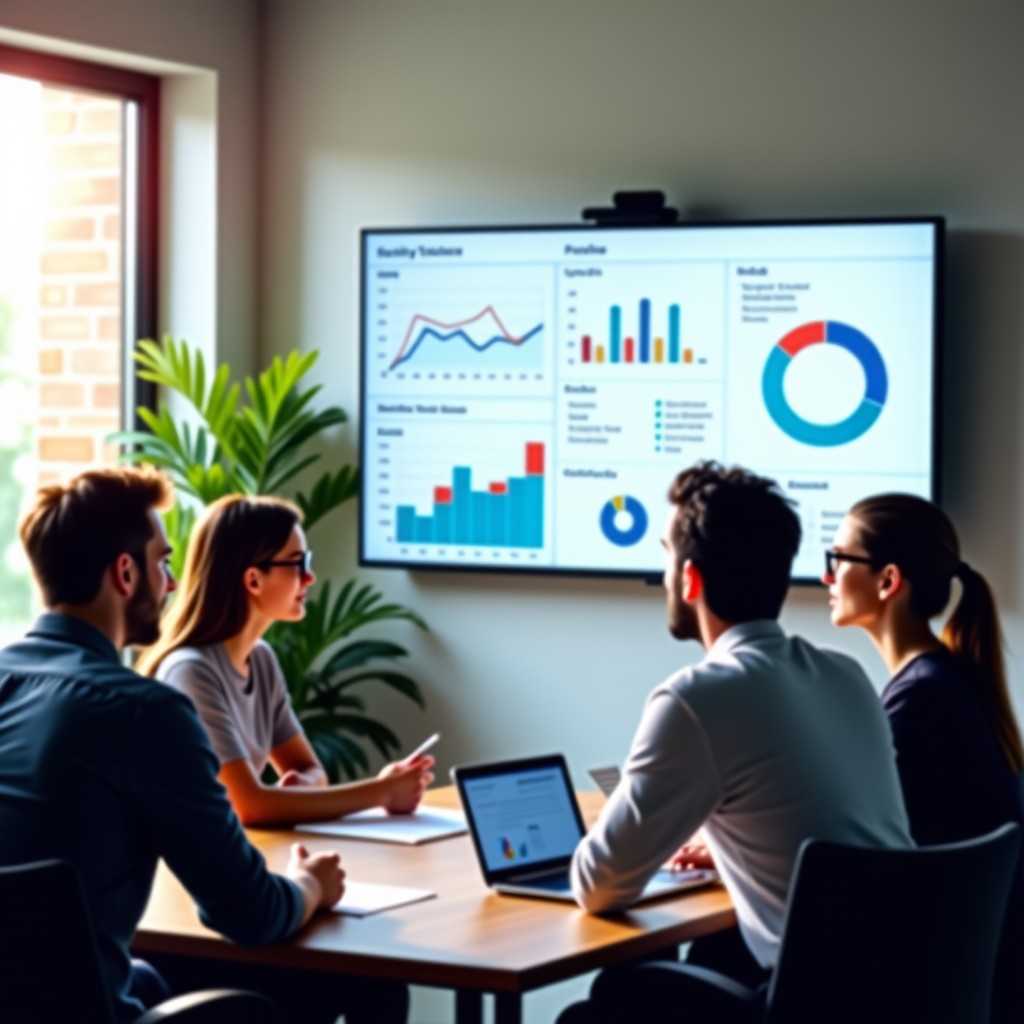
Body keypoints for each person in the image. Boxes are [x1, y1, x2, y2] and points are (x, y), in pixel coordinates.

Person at [559, 462, 913, 1023]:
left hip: (810, 1003)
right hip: (901, 989)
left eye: (666, 555)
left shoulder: (695, 699)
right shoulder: (846, 676)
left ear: (691, 578)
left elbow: (597, 886)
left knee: (601, 1008)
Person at [0, 467, 347, 1022]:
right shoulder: (144, 713)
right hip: (84, 1010)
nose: (172, 584)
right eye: (162, 563)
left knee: (154, 977)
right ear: (125, 573)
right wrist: (309, 886)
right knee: (334, 991)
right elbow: (249, 913)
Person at [824, 492, 1024, 1023]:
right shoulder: (948, 679)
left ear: (888, 581)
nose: (828, 578)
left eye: (838, 560)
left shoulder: (919, 700)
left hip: (910, 982)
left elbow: (862, 843)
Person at [137, 493, 434, 827]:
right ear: (253, 580)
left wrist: (303, 786)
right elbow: (248, 805)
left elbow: (311, 771)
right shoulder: (190, 671)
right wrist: (381, 792)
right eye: (298, 564)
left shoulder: (260, 659)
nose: (310, 578)